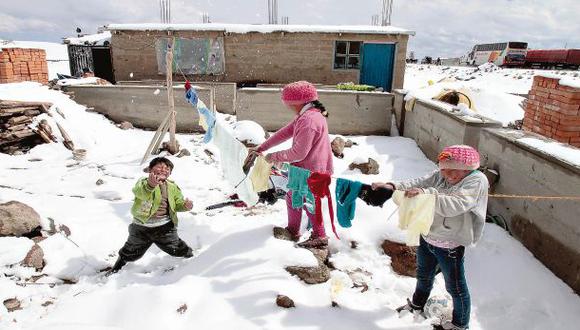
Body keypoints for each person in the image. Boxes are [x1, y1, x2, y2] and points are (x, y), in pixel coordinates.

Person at [372, 145, 489, 330]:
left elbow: (457, 204)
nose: (447, 175)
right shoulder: (442, 174)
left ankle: (460, 325)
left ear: (467, 169)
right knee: (423, 276)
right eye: (443, 170)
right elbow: (421, 182)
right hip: (428, 238)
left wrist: (427, 194)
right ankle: (417, 304)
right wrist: (392, 186)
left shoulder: (476, 181)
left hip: (450, 244)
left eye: (453, 171)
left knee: (456, 288)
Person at [253, 81, 333, 248]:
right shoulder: (307, 116)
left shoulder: (309, 121)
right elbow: (285, 133)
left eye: (289, 104)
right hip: (305, 169)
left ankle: (320, 236)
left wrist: (274, 156)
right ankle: (293, 230)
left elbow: (299, 153)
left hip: (312, 171)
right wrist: (262, 147)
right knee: (293, 198)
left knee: (309, 202)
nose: (288, 107)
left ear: (298, 102)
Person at [108, 157, 194, 274]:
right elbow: (140, 192)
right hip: (141, 227)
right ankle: (117, 268)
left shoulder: (172, 187)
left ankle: (192, 258)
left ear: (170, 173)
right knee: (130, 250)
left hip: (165, 227)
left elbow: (177, 203)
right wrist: (150, 185)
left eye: (167, 168)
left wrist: (185, 206)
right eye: (159, 166)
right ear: (150, 170)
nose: (163, 169)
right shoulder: (143, 182)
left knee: (176, 246)